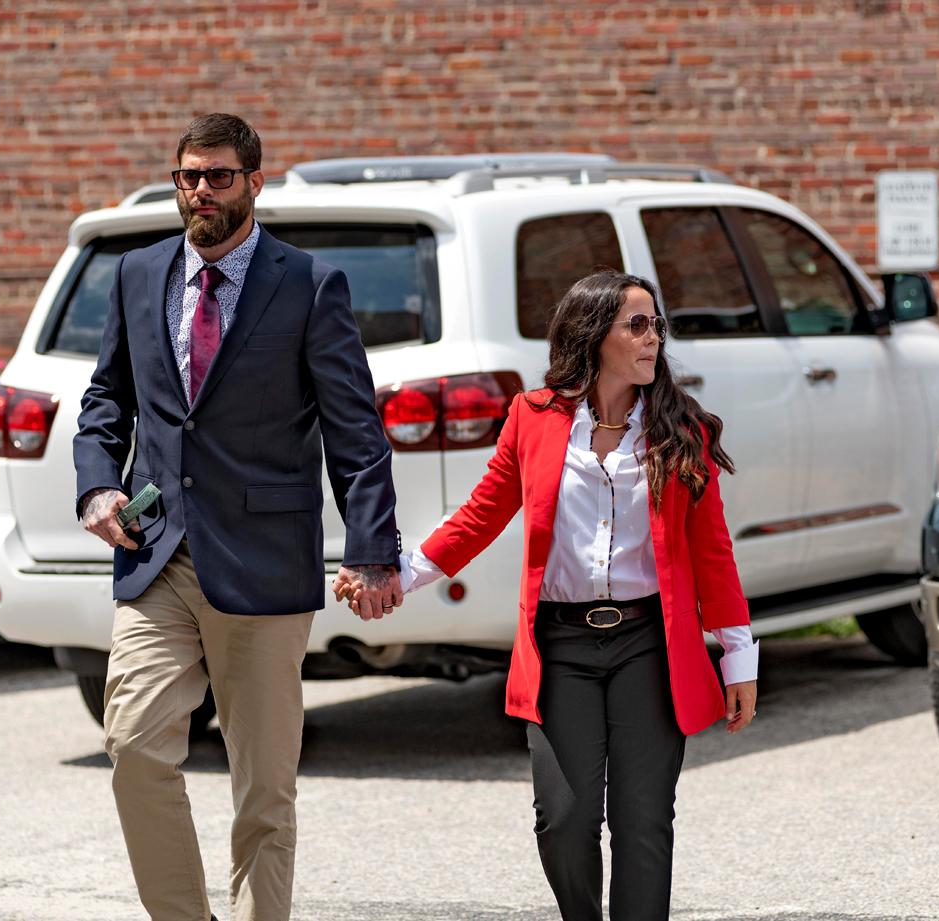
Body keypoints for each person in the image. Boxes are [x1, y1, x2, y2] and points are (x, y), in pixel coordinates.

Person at [335, 270, 758, 921]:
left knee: (644, 823)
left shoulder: (680, 431)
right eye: (637, 325)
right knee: (563, 818)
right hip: (560, 645)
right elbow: (479, 515)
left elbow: (713, 552)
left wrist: (738, 657)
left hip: (650, 643)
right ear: (595, 336)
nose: (654, 338)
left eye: (656, 326)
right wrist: (398, 575)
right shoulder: (534, 419)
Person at [74, 112, 403, 921]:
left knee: (263, 789)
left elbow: (355, 431)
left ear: (255, 181)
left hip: (263, 561)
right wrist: (96, 487)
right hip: (158, 556)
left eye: (219, 176)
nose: (201, 192)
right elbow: (106, 401)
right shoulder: (138, 273)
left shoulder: (308, 284)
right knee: (135, 749)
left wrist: (371, 551)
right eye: (188, 176)